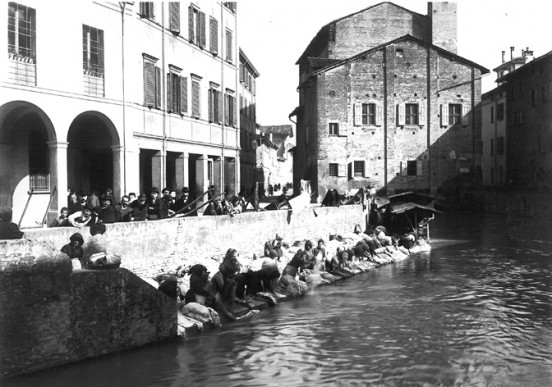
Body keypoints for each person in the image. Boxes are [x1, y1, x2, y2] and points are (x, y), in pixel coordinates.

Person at [206, 248, 241, 320]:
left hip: (222, 293)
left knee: (234, 285)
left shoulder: (234, 264)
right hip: (214, 296)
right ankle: (226, 309)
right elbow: (221, 291)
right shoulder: (219, 276)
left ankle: (230, 306)